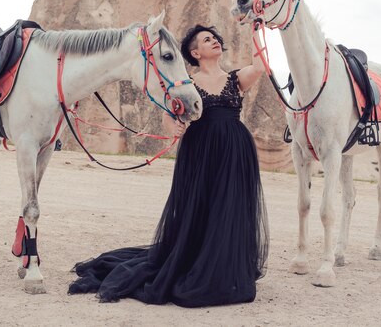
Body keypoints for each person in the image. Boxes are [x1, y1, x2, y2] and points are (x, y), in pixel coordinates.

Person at [69, 24, 269, 308]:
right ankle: (199, 264)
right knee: (200, 208)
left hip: (235, 150)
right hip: (200, 152)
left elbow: (261, 66)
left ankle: (226, 269)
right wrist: (175, 124)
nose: (214, 41)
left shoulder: (235, 79)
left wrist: (255, 29)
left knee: (231, 208)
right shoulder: (185, 83)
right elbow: (170, 118)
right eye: (206, 40)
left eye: (215, 38)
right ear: (195, 52)